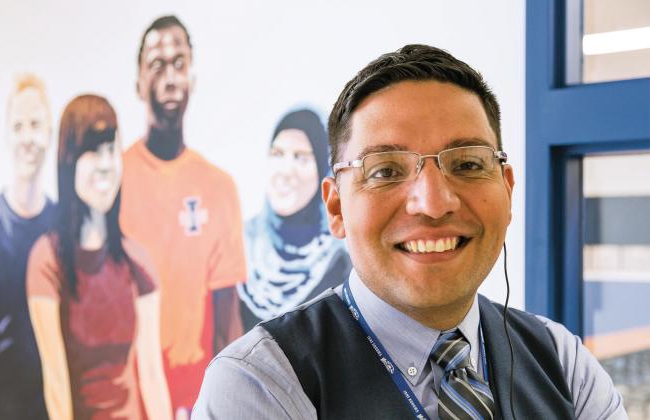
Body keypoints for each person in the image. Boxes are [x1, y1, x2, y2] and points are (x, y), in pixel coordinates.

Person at [192, 45, 627, 419]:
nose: (434, 203)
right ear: (337, 206)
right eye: (385, 171)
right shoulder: (261, 384)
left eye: (468, 164)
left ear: (507, 189)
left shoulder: (563, 364)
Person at [120, 15, 246, 417]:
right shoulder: (112, 184)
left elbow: (229, 327)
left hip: (197, 404)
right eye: (157, 65)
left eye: (179, 63)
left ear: (191, 77)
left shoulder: (219, 187)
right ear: (138, 81)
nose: (170, 77)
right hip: (124, 400)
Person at [26, 95, 172, 420]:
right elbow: (56, 381)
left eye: (111, 150)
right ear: (69, 160)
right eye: (93, 151)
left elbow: (151, 375)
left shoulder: (138, 263)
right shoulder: (46, 261)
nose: (105, 164)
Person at [0, 74, 54, 420]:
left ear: (49, 132)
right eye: (18, 126)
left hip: (54, 402)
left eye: (35, 124)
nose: (27, 137)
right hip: (7, 407)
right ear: (7, 135)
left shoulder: (60, 222)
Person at [237, 109, 351, 331]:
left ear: (321, 168)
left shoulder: (340, 263)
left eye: (301, 157)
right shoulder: (239, 245)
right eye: (277, 154)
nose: (285, 172)